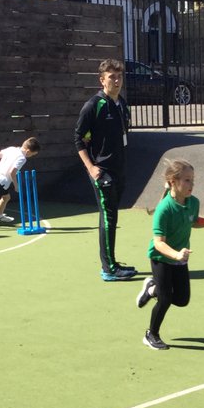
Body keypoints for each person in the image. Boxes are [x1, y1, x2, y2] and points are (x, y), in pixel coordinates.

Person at [136, 158, 204, 350]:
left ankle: (151, 289)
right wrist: (176, 255)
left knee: (182, 300)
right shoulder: (164, 209)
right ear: (172, 181)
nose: (191, 185)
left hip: (180, 258)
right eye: (186, 180)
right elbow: (158, 243)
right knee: (166, 299)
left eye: (192, 180)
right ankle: (151, 334)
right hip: (161, 258)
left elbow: (193, 221)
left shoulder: (193, 202)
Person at [74, 58, 136, 281]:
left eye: (119, 76)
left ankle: (111, 262)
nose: (117, 81)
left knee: (110, 217)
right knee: (109, 218)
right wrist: (91, 168)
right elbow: (79, 139)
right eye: (112, 77)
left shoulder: (122, 104)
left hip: (119, 169)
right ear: (102, 80)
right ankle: (109, 269)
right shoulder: (94, 105)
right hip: (102, 172)